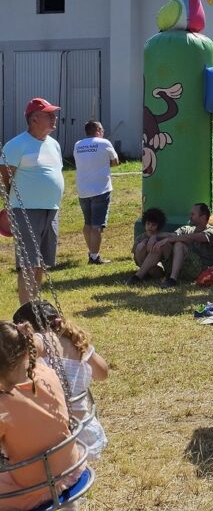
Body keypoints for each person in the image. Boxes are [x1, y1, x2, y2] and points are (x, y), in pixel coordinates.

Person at [0, 320, 87, 511]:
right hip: (70, 469)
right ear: (25, 351)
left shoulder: (3, 406)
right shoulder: (47, 373)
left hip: (32, 488)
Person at [12, 300, 109, 461]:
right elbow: (103, 373)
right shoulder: (76, 342)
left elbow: (17, 360)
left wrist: (21, 341)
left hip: (56, 437)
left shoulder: (41, 340)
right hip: (85, 430)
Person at [1, 98, 64, 304]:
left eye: (54, 114)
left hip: (51, 210)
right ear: (34, 119)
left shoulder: (54, 144)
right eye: (49, 114)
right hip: (25, 210)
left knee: (40, 264)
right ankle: (26, 312)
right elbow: (4, 177)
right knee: (28, 264)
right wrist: (10, 206)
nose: (54, 118)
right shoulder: (16, 145)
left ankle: (34, 306)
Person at [136, 203, 213, 288]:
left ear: (203, 217)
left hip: (199, 269)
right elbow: (172, 235)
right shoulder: (187, 229)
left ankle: (172, 279)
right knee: (162, 245)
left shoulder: (212, 231)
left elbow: (194, 237)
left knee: (179, 244)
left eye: (193, 214)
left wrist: (168, 239)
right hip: (183, 267)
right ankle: (138, 276)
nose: (190, 216)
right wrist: (155, 236)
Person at [72, 120, 119, 265]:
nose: (103, 132)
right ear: (98, 130)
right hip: (101, 189)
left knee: (88, 223)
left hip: (83, 189)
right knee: (97, 225)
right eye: (102, 129)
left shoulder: (78, 144)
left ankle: (92, 252)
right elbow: (115, 161)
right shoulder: (104, 143)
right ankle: (94, 256)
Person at [127, 207, 170, 284]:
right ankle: (144, 272)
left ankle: (140, 275)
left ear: (158, 226)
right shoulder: (140, 238)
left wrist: (155, 237)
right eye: (148, 224)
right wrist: (144, 243)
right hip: (144, 264)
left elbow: (174, 235)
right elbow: (136, 257)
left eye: (153, 225)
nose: (150, 227)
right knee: (140, 246)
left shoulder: (161, 236)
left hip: (158, 268)